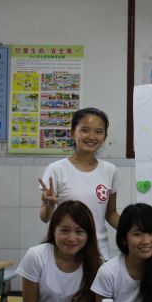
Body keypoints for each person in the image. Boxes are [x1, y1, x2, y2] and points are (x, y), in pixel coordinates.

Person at [16, 200, 100, 302]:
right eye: (64, 230)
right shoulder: (36, 256)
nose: (71, 238)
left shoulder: (93, 265)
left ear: (88, 235)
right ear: (54, 230)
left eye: (79, 231)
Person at [39, 108, 119, 260]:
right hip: (67, 248)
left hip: (99, 250)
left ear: (104, 137)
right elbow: (44, 217)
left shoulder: (110, 170)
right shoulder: (56, 169)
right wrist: (49, 206)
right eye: (85, 130)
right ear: (72, 133)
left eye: (98, 132)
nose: (91, 137)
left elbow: (111, 214)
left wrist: (136, 231)